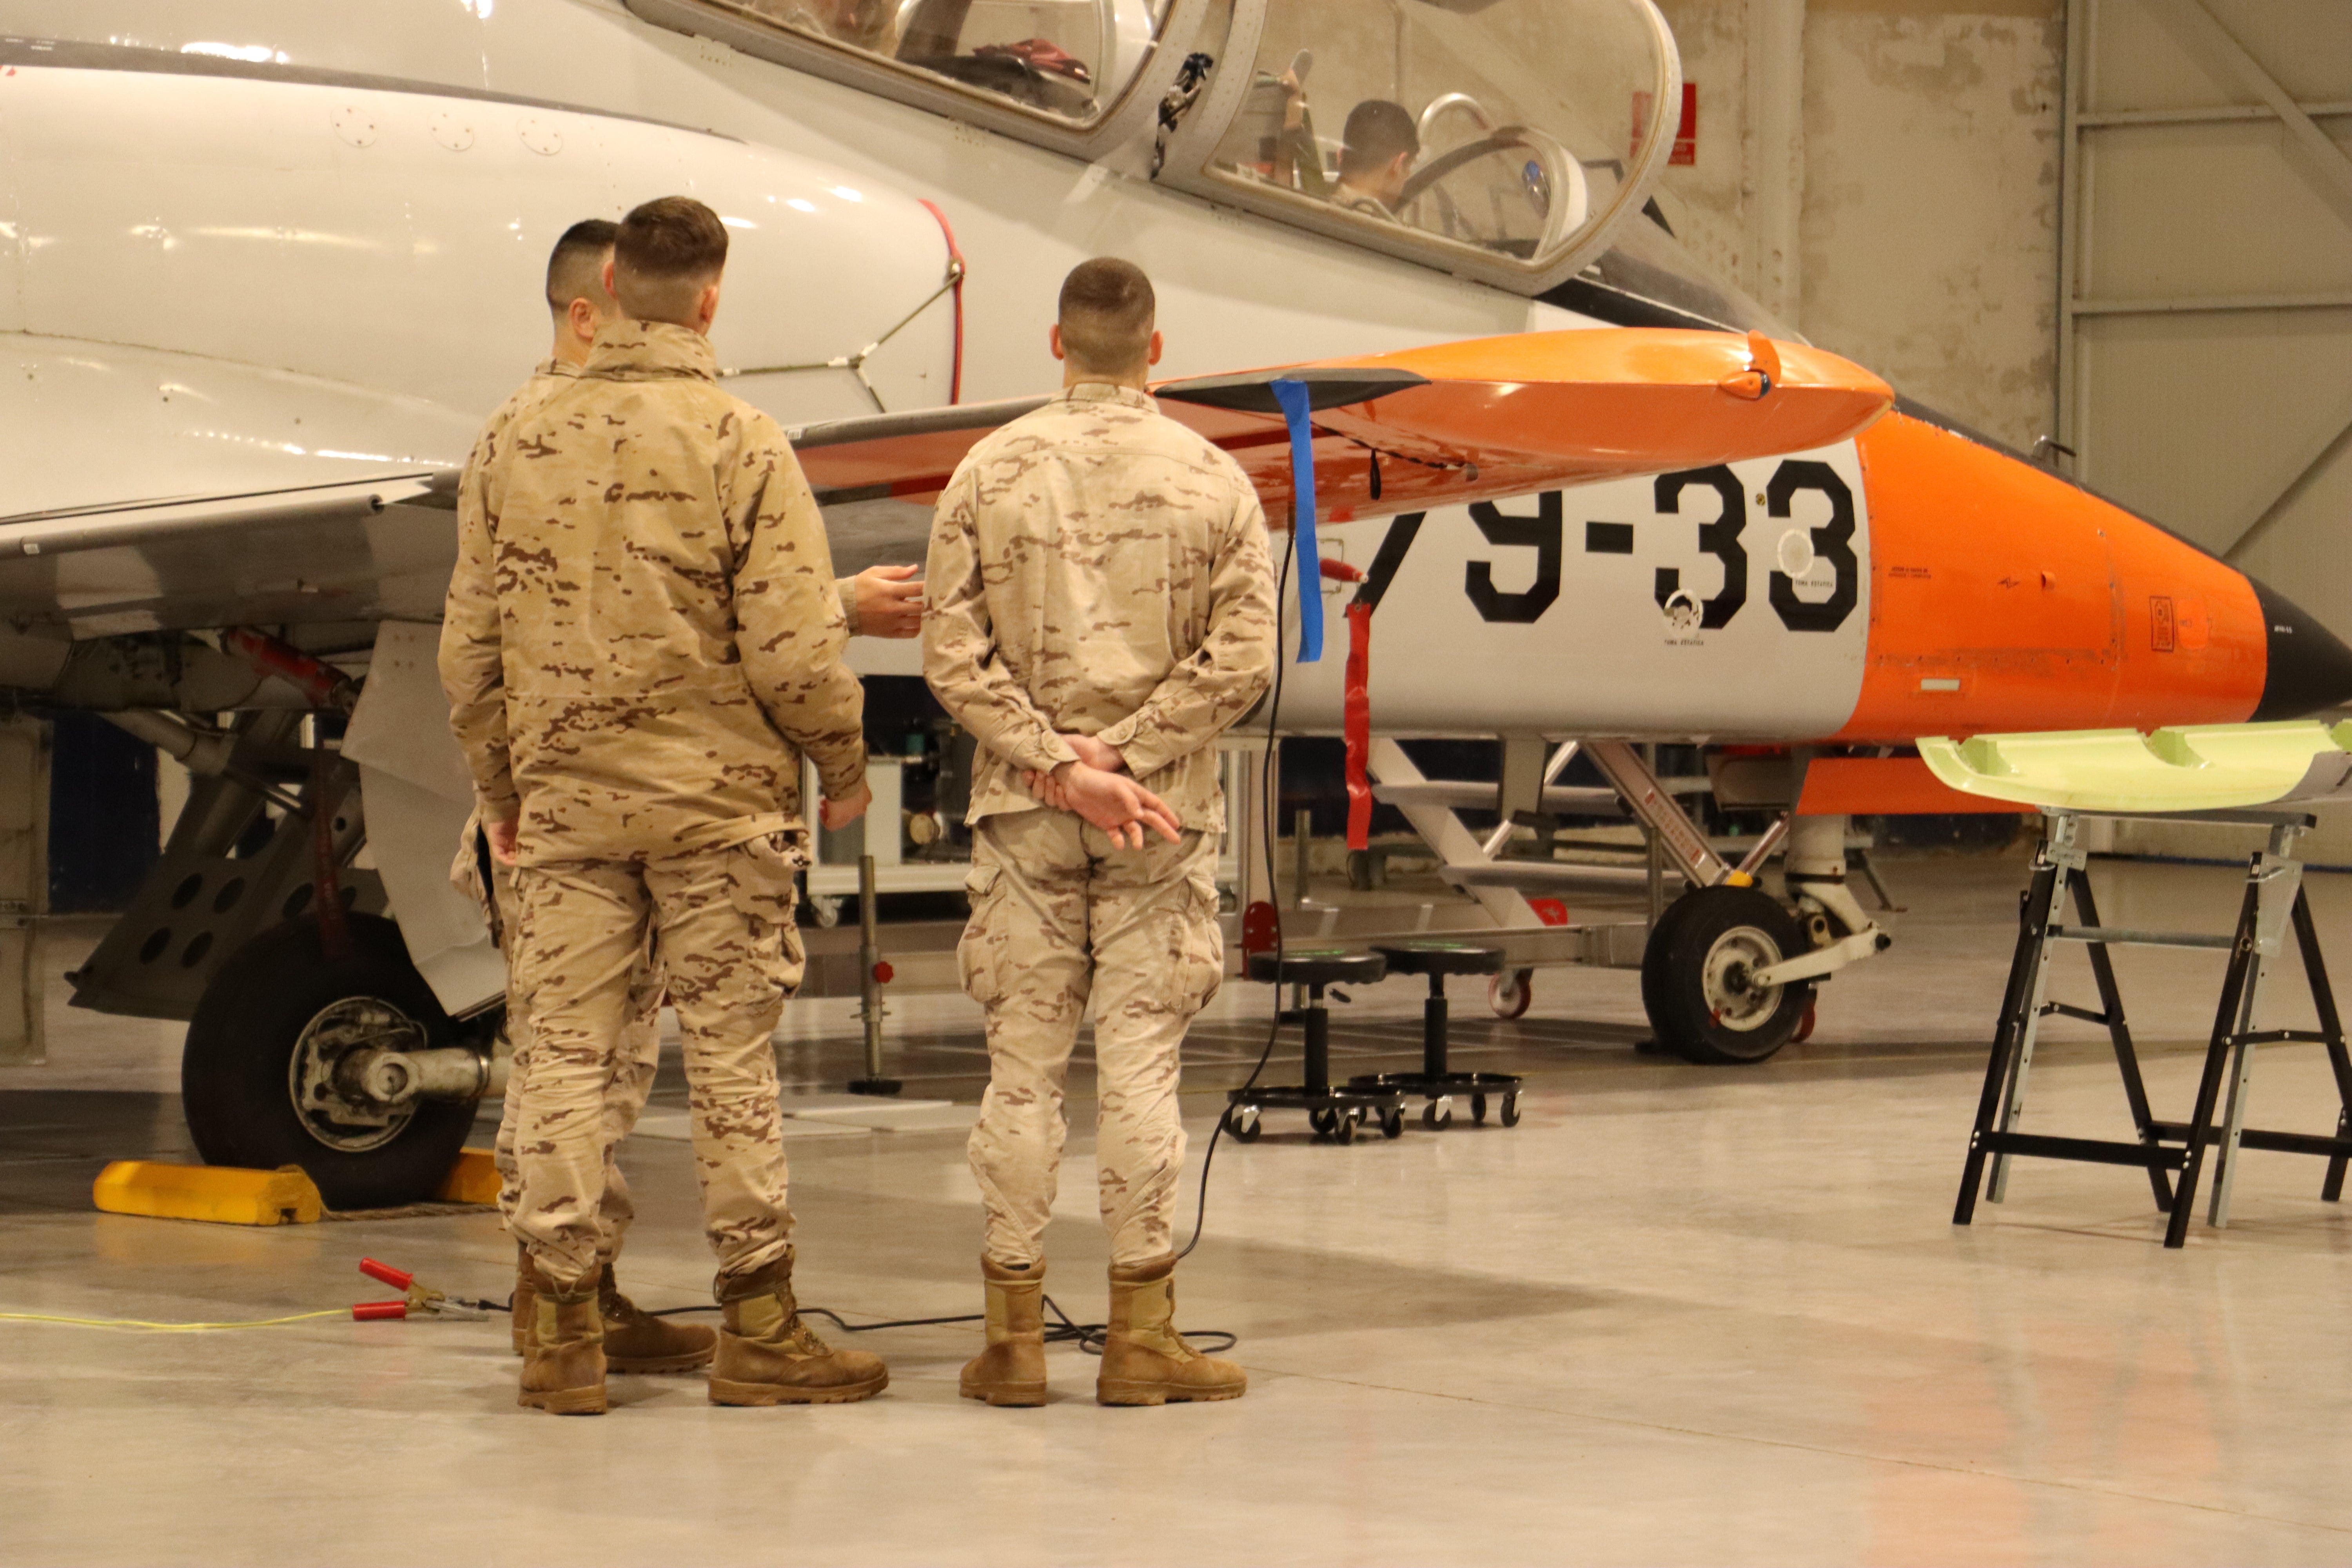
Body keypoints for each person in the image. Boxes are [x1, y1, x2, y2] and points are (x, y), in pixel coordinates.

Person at [456, 219, 924, 1377]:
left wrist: (502, 789)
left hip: (566, 807)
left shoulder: (510, 437)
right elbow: (788, 651)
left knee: (563, 1053)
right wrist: (843, 767)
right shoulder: (741, 440)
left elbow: (468, 650)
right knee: (728, 1060)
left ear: (607, 288)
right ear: (710, 305)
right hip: (717, 811)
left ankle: (562, 1325)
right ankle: (759, 1328)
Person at [923, 257, 1277, 1407]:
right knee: (1139, 1074)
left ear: (1056, 343)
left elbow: (949, 656)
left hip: (1025, 818)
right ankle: (1139, 1340)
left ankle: (1012, 1344)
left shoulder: (988, 471)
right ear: (1155, 349)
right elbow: (1242, 661)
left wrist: (1055, 764)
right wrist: (1121, 757)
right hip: (1159, 821)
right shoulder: (1216, 484)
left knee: (1020, 1077)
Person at [1334, 99, 1421, 221]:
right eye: (1407, 171)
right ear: (1397, 166)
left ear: (1340, 157)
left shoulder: (1309, 213)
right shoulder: (1377, 236)